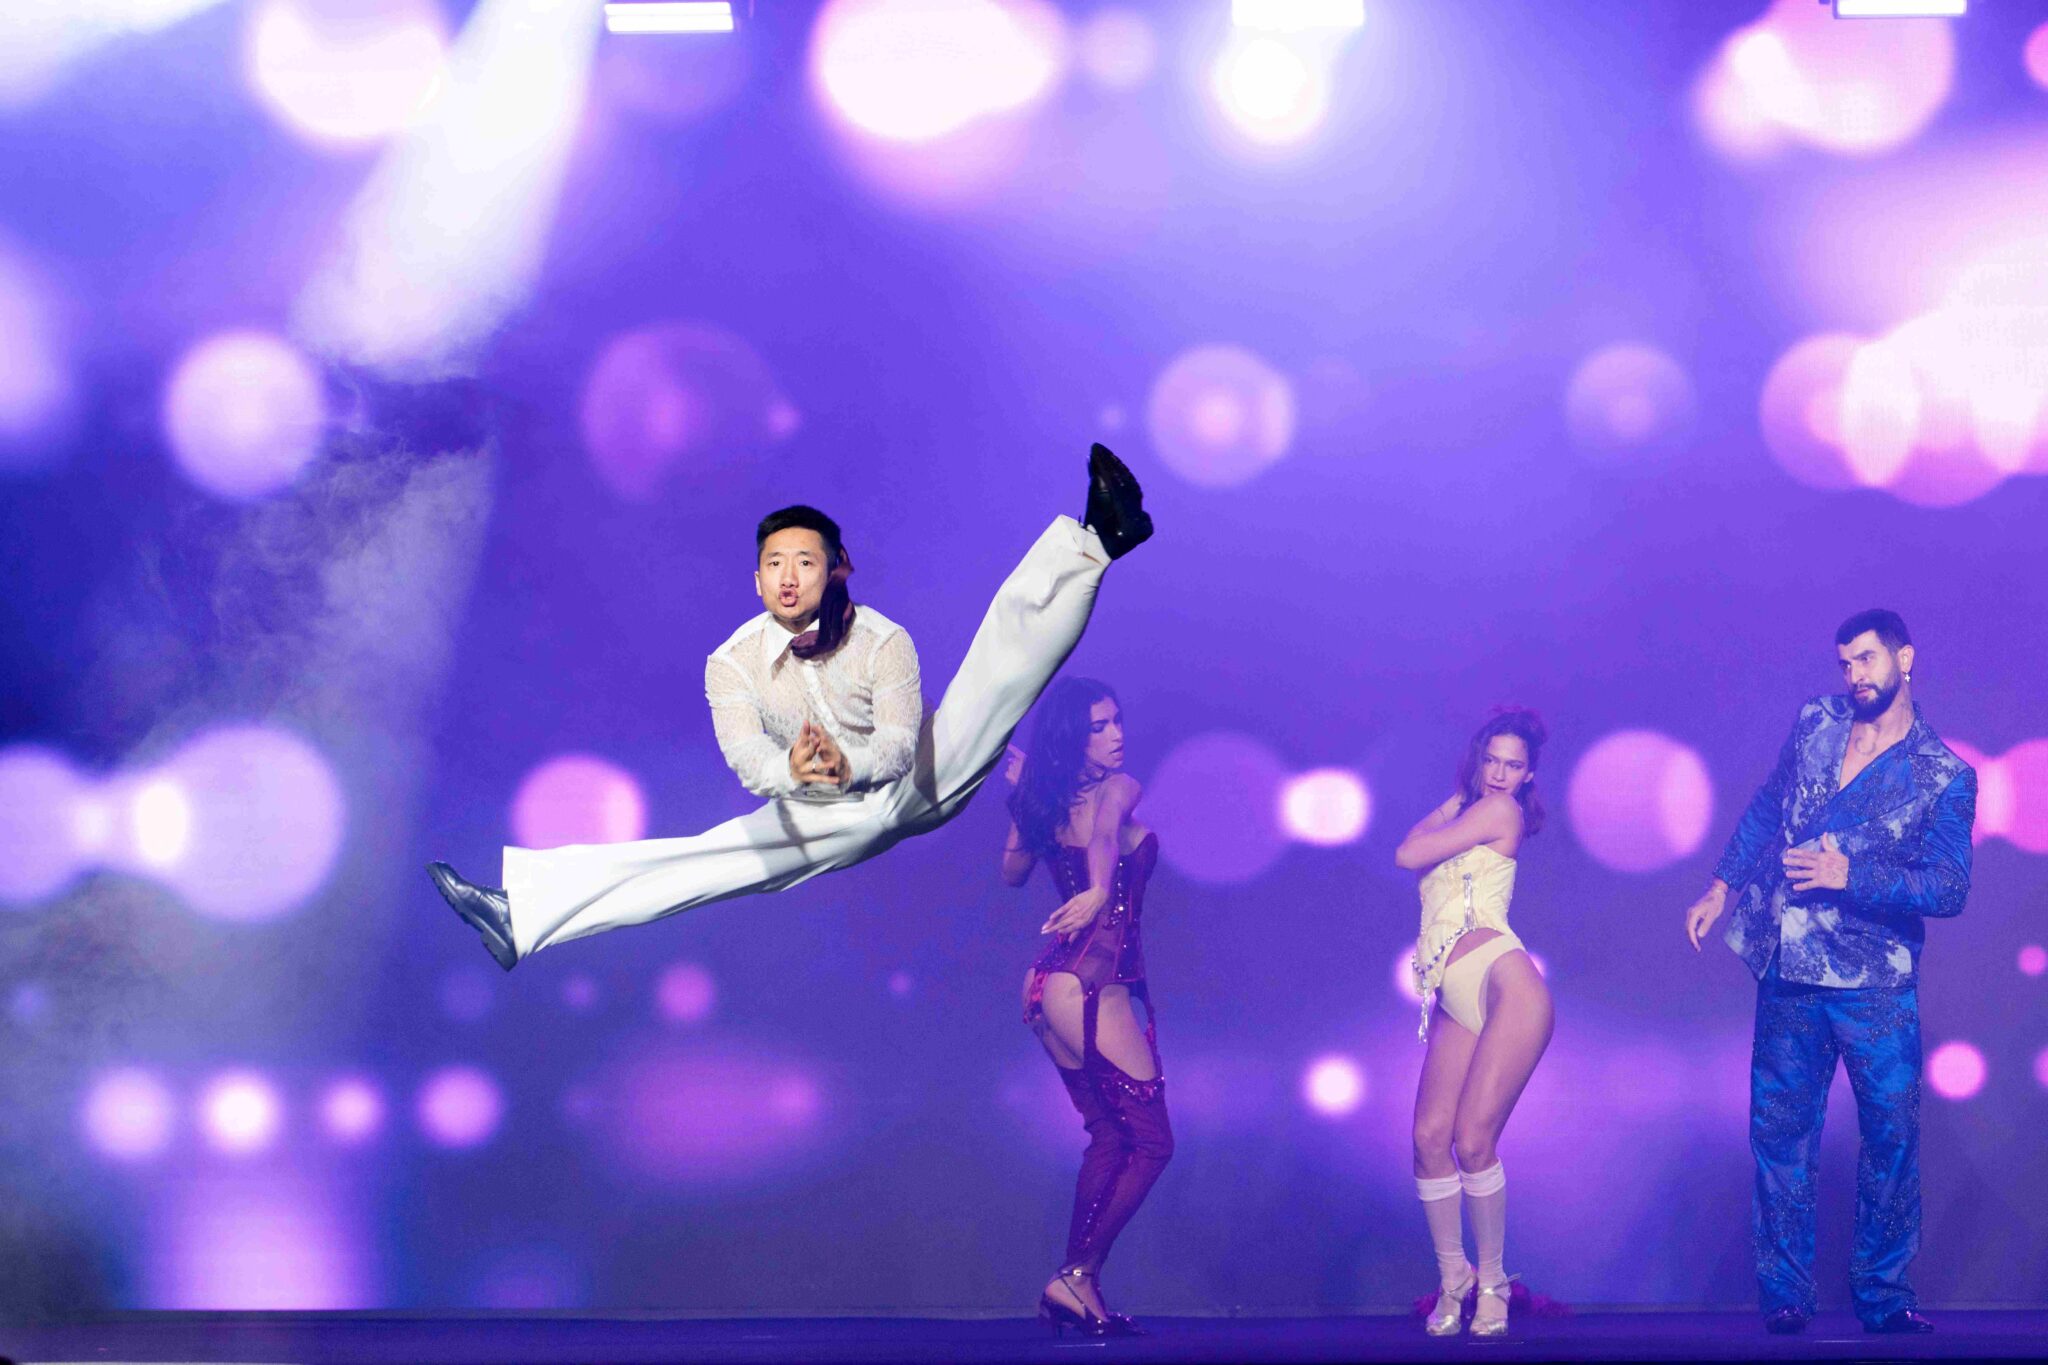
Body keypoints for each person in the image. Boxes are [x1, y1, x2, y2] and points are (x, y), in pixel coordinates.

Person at [428, 445, 1152, 966]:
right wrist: (797, 773)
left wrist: (847, 765)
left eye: (805, 562)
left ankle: (1098, 540)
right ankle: (522, 914)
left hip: (912, 780)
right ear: (756, 579)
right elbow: (749, 760)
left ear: (837, 570)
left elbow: (900, 746)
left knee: (997, 672)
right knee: (705, 860)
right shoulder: (732, 663)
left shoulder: (883, 641)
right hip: (816, 803)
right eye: (774, 563)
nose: (789, 577)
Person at [1683, 609, 1975, 1337]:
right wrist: (1721, 884)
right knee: (1780, 1134)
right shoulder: (1816, 720)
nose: (1855, 676)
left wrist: (1852, 875)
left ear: (1905, 658)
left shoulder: (1943, 774)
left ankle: (1883, 1293)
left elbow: (1948, 887)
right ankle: (1784, 1293)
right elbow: (1767, 804)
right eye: (1845, 663)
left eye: (1867, 659)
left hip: (1875, 983)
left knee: (1891, 1140)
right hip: (1789, 966)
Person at [1002, 678, 1168, 1339]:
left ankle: (1079, 1284)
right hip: (1090, 982)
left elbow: (1013, 870)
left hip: (1047, 983)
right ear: (1073, 737)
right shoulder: (1118, 786)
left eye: (1118, 719)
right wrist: (1100, 888)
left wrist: (1025, 802)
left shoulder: (1050, 802)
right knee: (1150, 1141)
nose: (1117, 734)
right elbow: (1103, 832)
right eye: (1099, 726)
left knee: (1109, 1134)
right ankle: (1074, 1275)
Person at [1394, 707, 1554, 1338]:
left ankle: (1493, 1283)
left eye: (1513, 765)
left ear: (1528, 775)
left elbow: (1407, 852)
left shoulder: (1500, 811)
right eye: (1491, 760)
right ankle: (1453, 1279)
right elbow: (1416, 842)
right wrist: (1457, 796)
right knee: (1428, 1138)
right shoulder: (1473, 808)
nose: (1499, 774)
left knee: (1472, 1141)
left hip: (1503, 981)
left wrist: (1463, 800)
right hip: (1454, 993)